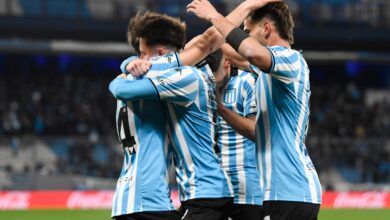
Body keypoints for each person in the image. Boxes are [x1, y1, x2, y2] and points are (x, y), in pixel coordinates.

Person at [188, 0, 322, 219]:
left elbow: (250, 50)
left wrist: (214, 15)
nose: (245, 36)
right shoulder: (267, 72)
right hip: (281, 192)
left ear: (266, 28)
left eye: (248, 31)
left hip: (292, 191)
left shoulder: (291, 59)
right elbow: (222, 49)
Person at [111, 12, 235, 220]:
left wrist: (126, 67)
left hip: (129, 198)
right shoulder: (156, 84)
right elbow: (201, 46)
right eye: (139, 55)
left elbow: (118, 87)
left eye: (142, 53)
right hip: (149, 199)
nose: (142, 60)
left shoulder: (137, 82)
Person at [207, 47, 262, 220]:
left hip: (247, 188)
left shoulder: (246, 83)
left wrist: (221, 108)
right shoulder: (203, 85)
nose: (214, 81)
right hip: (216, 187)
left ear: (227, 64)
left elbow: (255, 129)